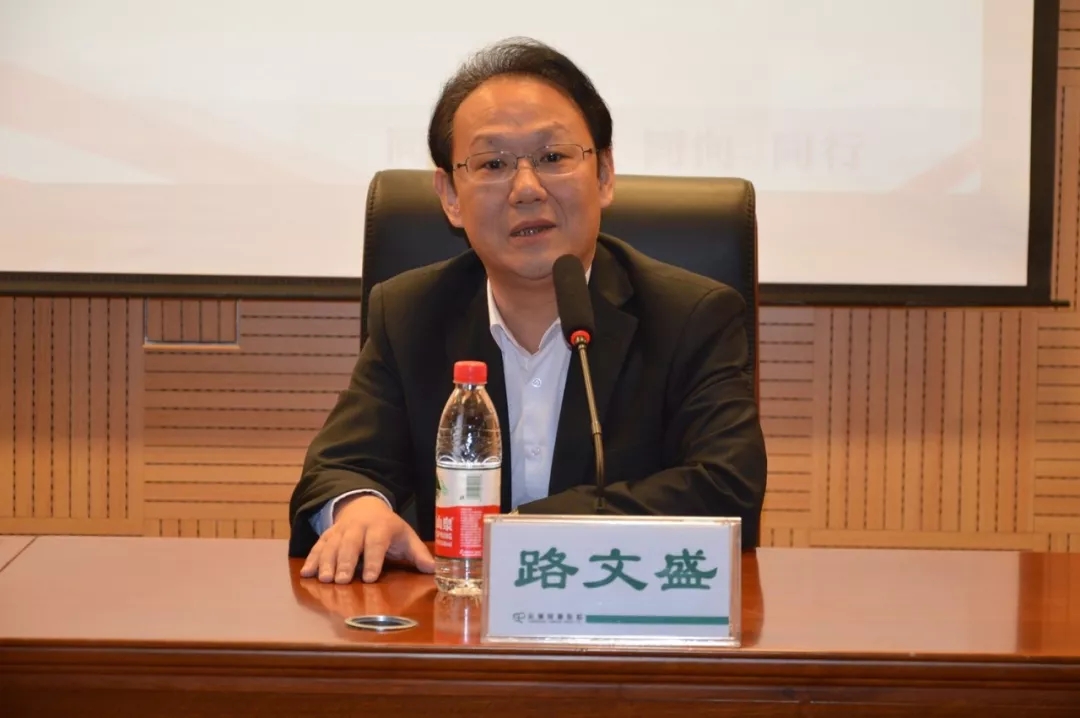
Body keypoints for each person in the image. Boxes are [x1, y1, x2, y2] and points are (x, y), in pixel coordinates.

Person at [288, 37, 767, 584]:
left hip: (620, 618)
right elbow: (339, 467)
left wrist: (518, 532)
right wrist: (358, 511)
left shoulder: (691, 318)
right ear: (450, 195)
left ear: (604, 174)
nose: (526, 189)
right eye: (492, 163)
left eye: (553, 158)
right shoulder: (410, 314)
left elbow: (725, 488)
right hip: (454, 626)